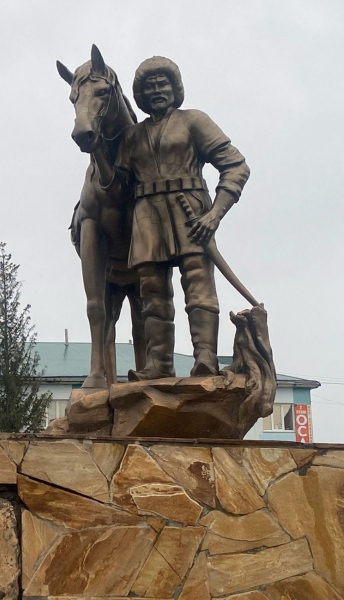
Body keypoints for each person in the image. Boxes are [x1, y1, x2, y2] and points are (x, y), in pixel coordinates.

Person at [93, 56, 250, 380]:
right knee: (151, 293)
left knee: (199, 287)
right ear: (140, 95)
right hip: (147, 217)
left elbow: (235, 166)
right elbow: (120, 189)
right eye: (149, 87)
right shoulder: (132, 137)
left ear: (175, 88)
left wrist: (215, 215)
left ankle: (205, 359)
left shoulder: (194, 120)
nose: (156, 91)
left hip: (190, 210)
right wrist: (97, 150)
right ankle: (159, 365)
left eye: (162, 83)